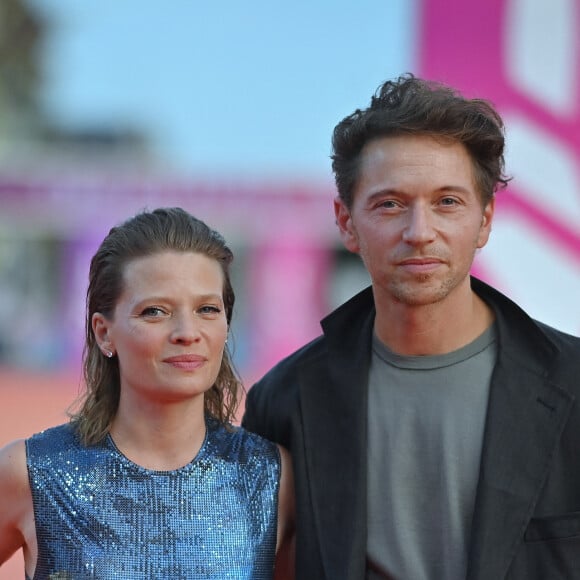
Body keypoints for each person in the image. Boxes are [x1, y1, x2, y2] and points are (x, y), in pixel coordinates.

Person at [242, 73, 580, 579]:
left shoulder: (574, 384)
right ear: (346, 222)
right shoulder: (284, 401)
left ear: (485, 220)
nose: (420, 233)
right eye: (390, 204)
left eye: (447, 202)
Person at [0, 207, 294, 579]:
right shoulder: (31, 473)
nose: (187, 332)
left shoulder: (273, 477)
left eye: (207, 309)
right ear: (104, 333)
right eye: (155, 311)